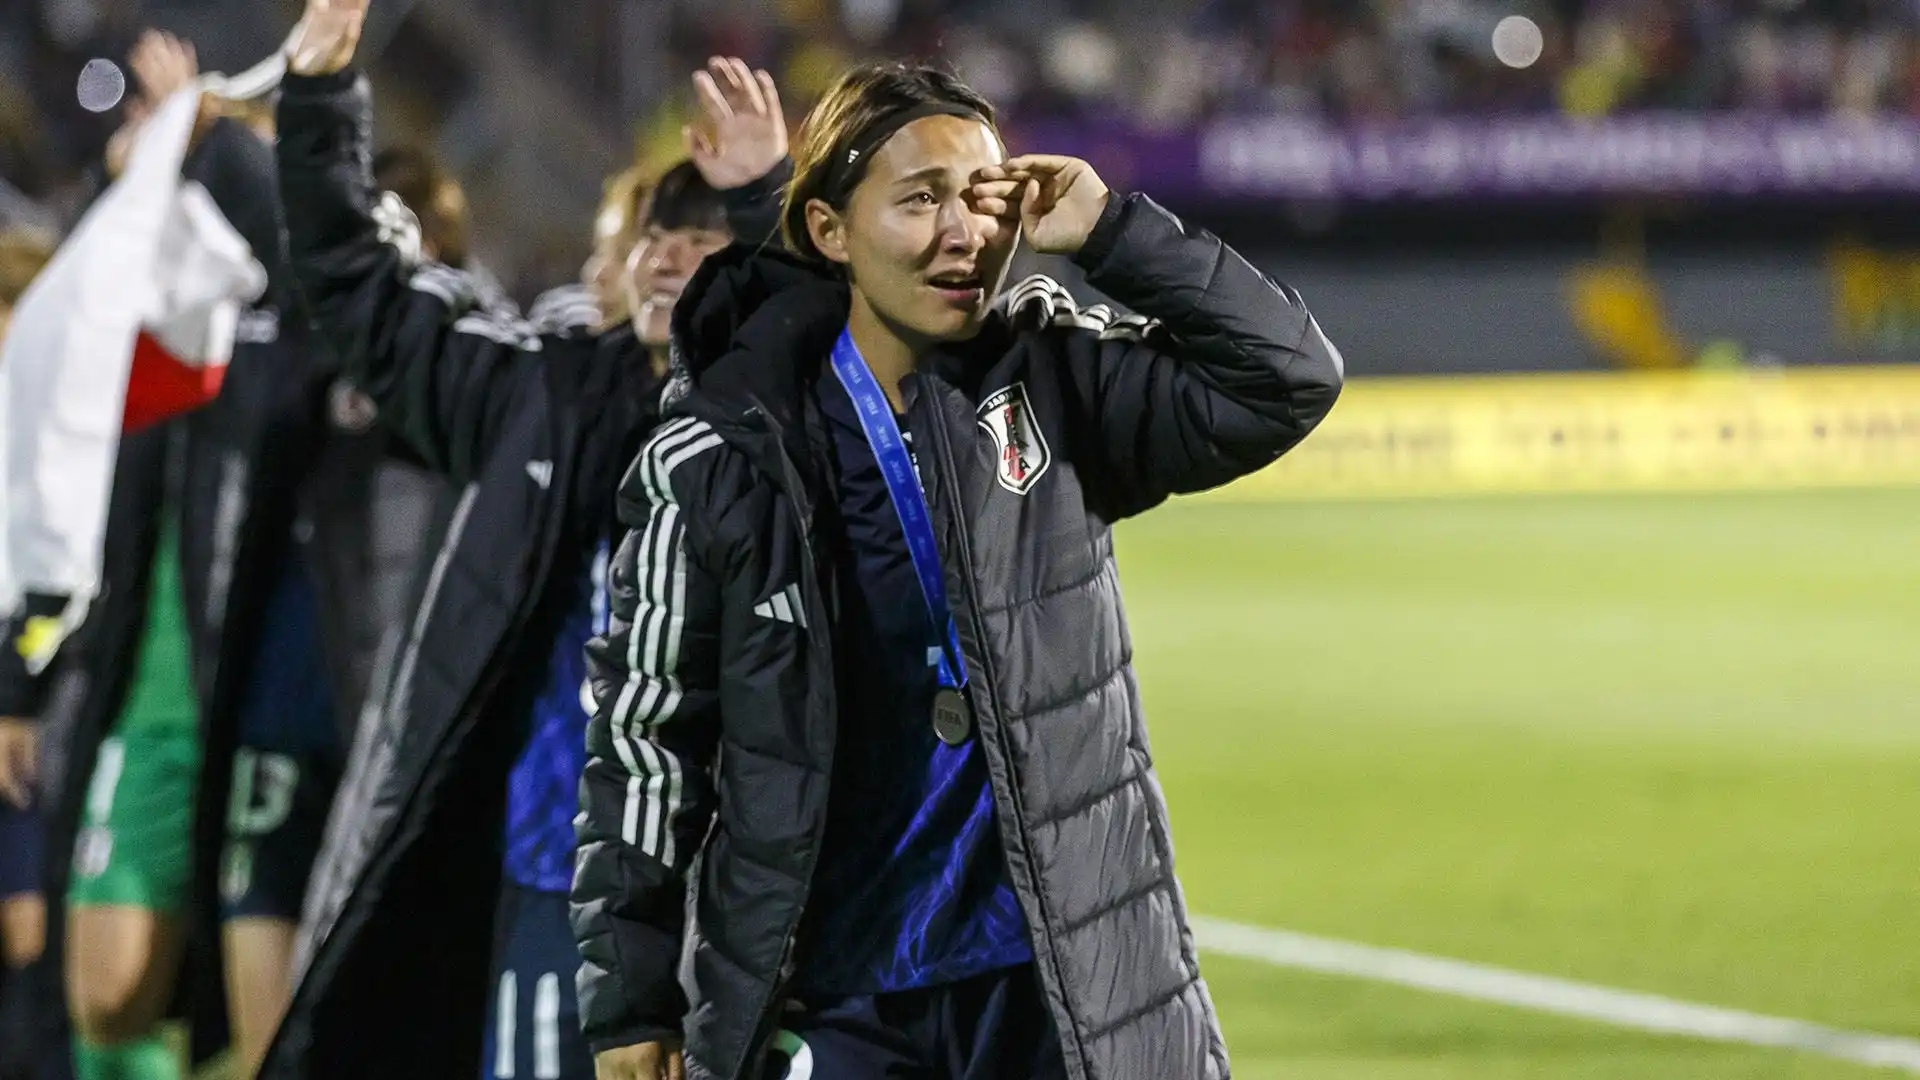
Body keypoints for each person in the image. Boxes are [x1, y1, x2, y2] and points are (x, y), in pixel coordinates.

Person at [572, 59, 1344, 1080]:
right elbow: (646, 739)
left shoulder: (1055, 380)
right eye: (921, 199)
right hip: (833, 997)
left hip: (1058, 987)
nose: (964, 232)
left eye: (982, 197)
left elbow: (1287, 378)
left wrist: (1112, 232)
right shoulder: (718, 453)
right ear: (827, 232)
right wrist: (629, 997)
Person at [257, 2, 791, 1075]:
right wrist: (321, 106)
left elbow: (817, 326)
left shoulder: (794, 429)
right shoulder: (543, 399)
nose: (668, 254)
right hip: (559, 874)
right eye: (655, 232)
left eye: (703, 233)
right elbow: (374, 310)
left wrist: (768, 200)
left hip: (745, 897)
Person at [0, 29, 436, 1080]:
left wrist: (208, 145)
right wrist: (22, 670)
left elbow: (323, 273)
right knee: (105, 995)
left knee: (254, 1023)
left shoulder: (311, 293)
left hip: (278, 694)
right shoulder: (161, 310)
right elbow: (71, 498)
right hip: (147, 687)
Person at [0, 225, 58, 1080]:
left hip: (32, 729)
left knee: (29, 935)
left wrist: (16, 690)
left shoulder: (61, 435)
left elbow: (52, 594)